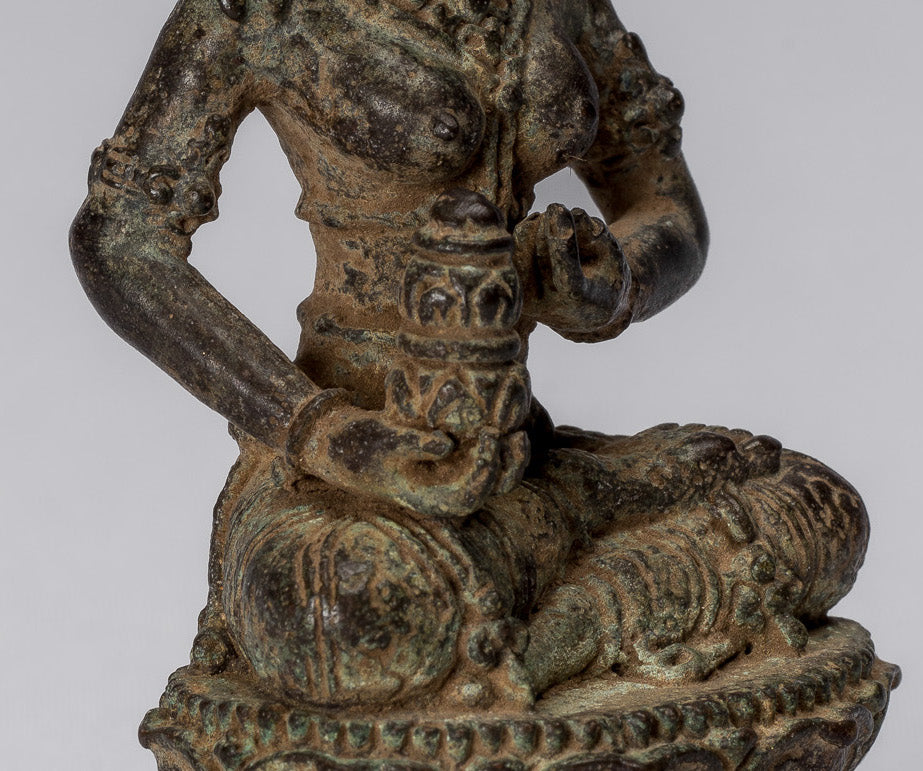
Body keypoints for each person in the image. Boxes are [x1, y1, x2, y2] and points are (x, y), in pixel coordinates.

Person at [71, 0, 868, 710]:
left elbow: (663, 205)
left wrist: (611, 281)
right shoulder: (253, 14)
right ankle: (595, 591)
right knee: (344, 608)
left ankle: (552, 623)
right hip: (352, 464)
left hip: (520, 449)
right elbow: (119, 240)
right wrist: (321, 431)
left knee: (819, 505)